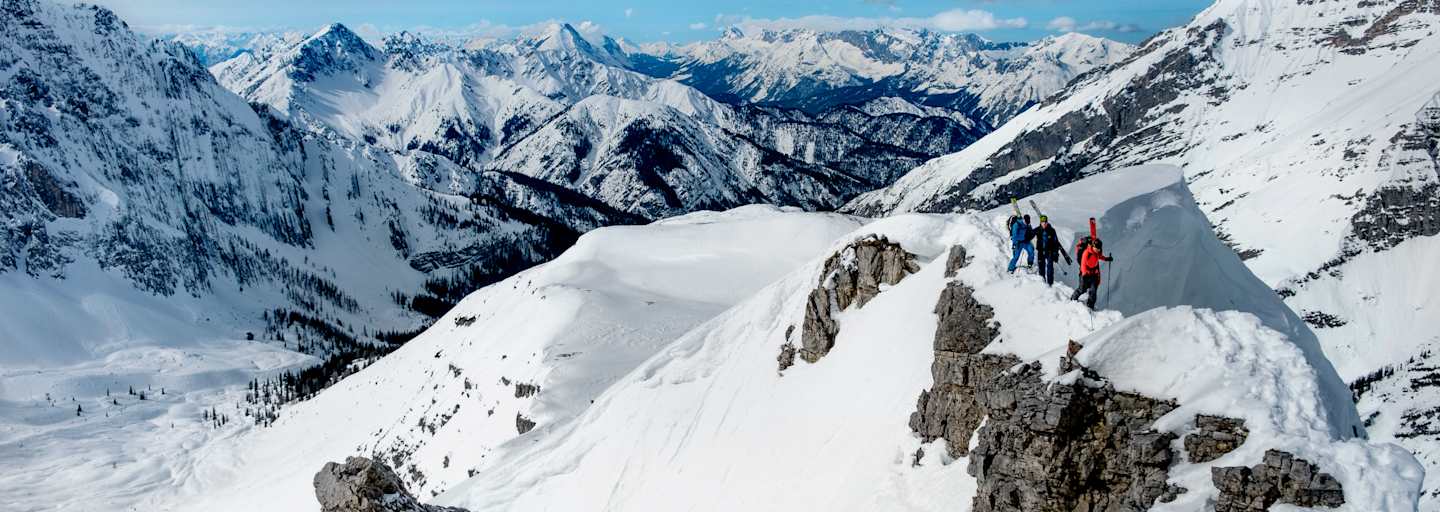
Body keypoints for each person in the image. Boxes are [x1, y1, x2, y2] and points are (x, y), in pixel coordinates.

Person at [1070, 218, 1114, 309]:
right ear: (1093, 246)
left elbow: (1100, 257)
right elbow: (1082, 264)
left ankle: (1090, 306)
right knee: (1082, 289)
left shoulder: (1097, 252)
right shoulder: (1087, 252)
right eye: (1097, 248)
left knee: (1093, 291)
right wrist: (1084, 273)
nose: (1098, 250)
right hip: (1085, 274)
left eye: (1099, 248)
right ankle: (1072, 299)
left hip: (1094, 274)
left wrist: (1107, 259)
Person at [1032, 215, 1071, 286]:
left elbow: (1056, 243)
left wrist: (1056, 254)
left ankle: (1050, 284)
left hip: (1049, 252)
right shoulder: (1037, 230)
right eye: (1042, 222)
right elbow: (1030, 235)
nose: (1044, 223)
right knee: (1041, 267)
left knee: (1050, 268)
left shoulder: (1052, 230)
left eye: (1045, 222)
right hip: (1040, 251)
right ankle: (1042, 283)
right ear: (1040, 222)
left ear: (1047, 222)